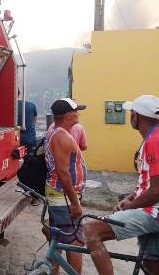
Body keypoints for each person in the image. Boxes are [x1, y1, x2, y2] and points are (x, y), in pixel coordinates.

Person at [84, 95, 159, 275]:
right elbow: (147, 183)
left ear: (137, 116)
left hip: (153, 212)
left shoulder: (154, 141)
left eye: (131, 112)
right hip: (151, 209)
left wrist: (130, 207)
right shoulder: (153, 137)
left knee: (90, 231)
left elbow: (157, 190)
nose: (130, 116)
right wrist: (129, 198)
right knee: (151, 263)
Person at [45, 98, 87, 274]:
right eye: (76, 111)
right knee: (74, 241)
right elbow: (63, 173)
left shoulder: (55, 130)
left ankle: (52, 270)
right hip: (62, 196)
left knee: (57, 236)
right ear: (68, 116)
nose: (78, 114)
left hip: (57, 194)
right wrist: (75, 203)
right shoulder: (61, 136)